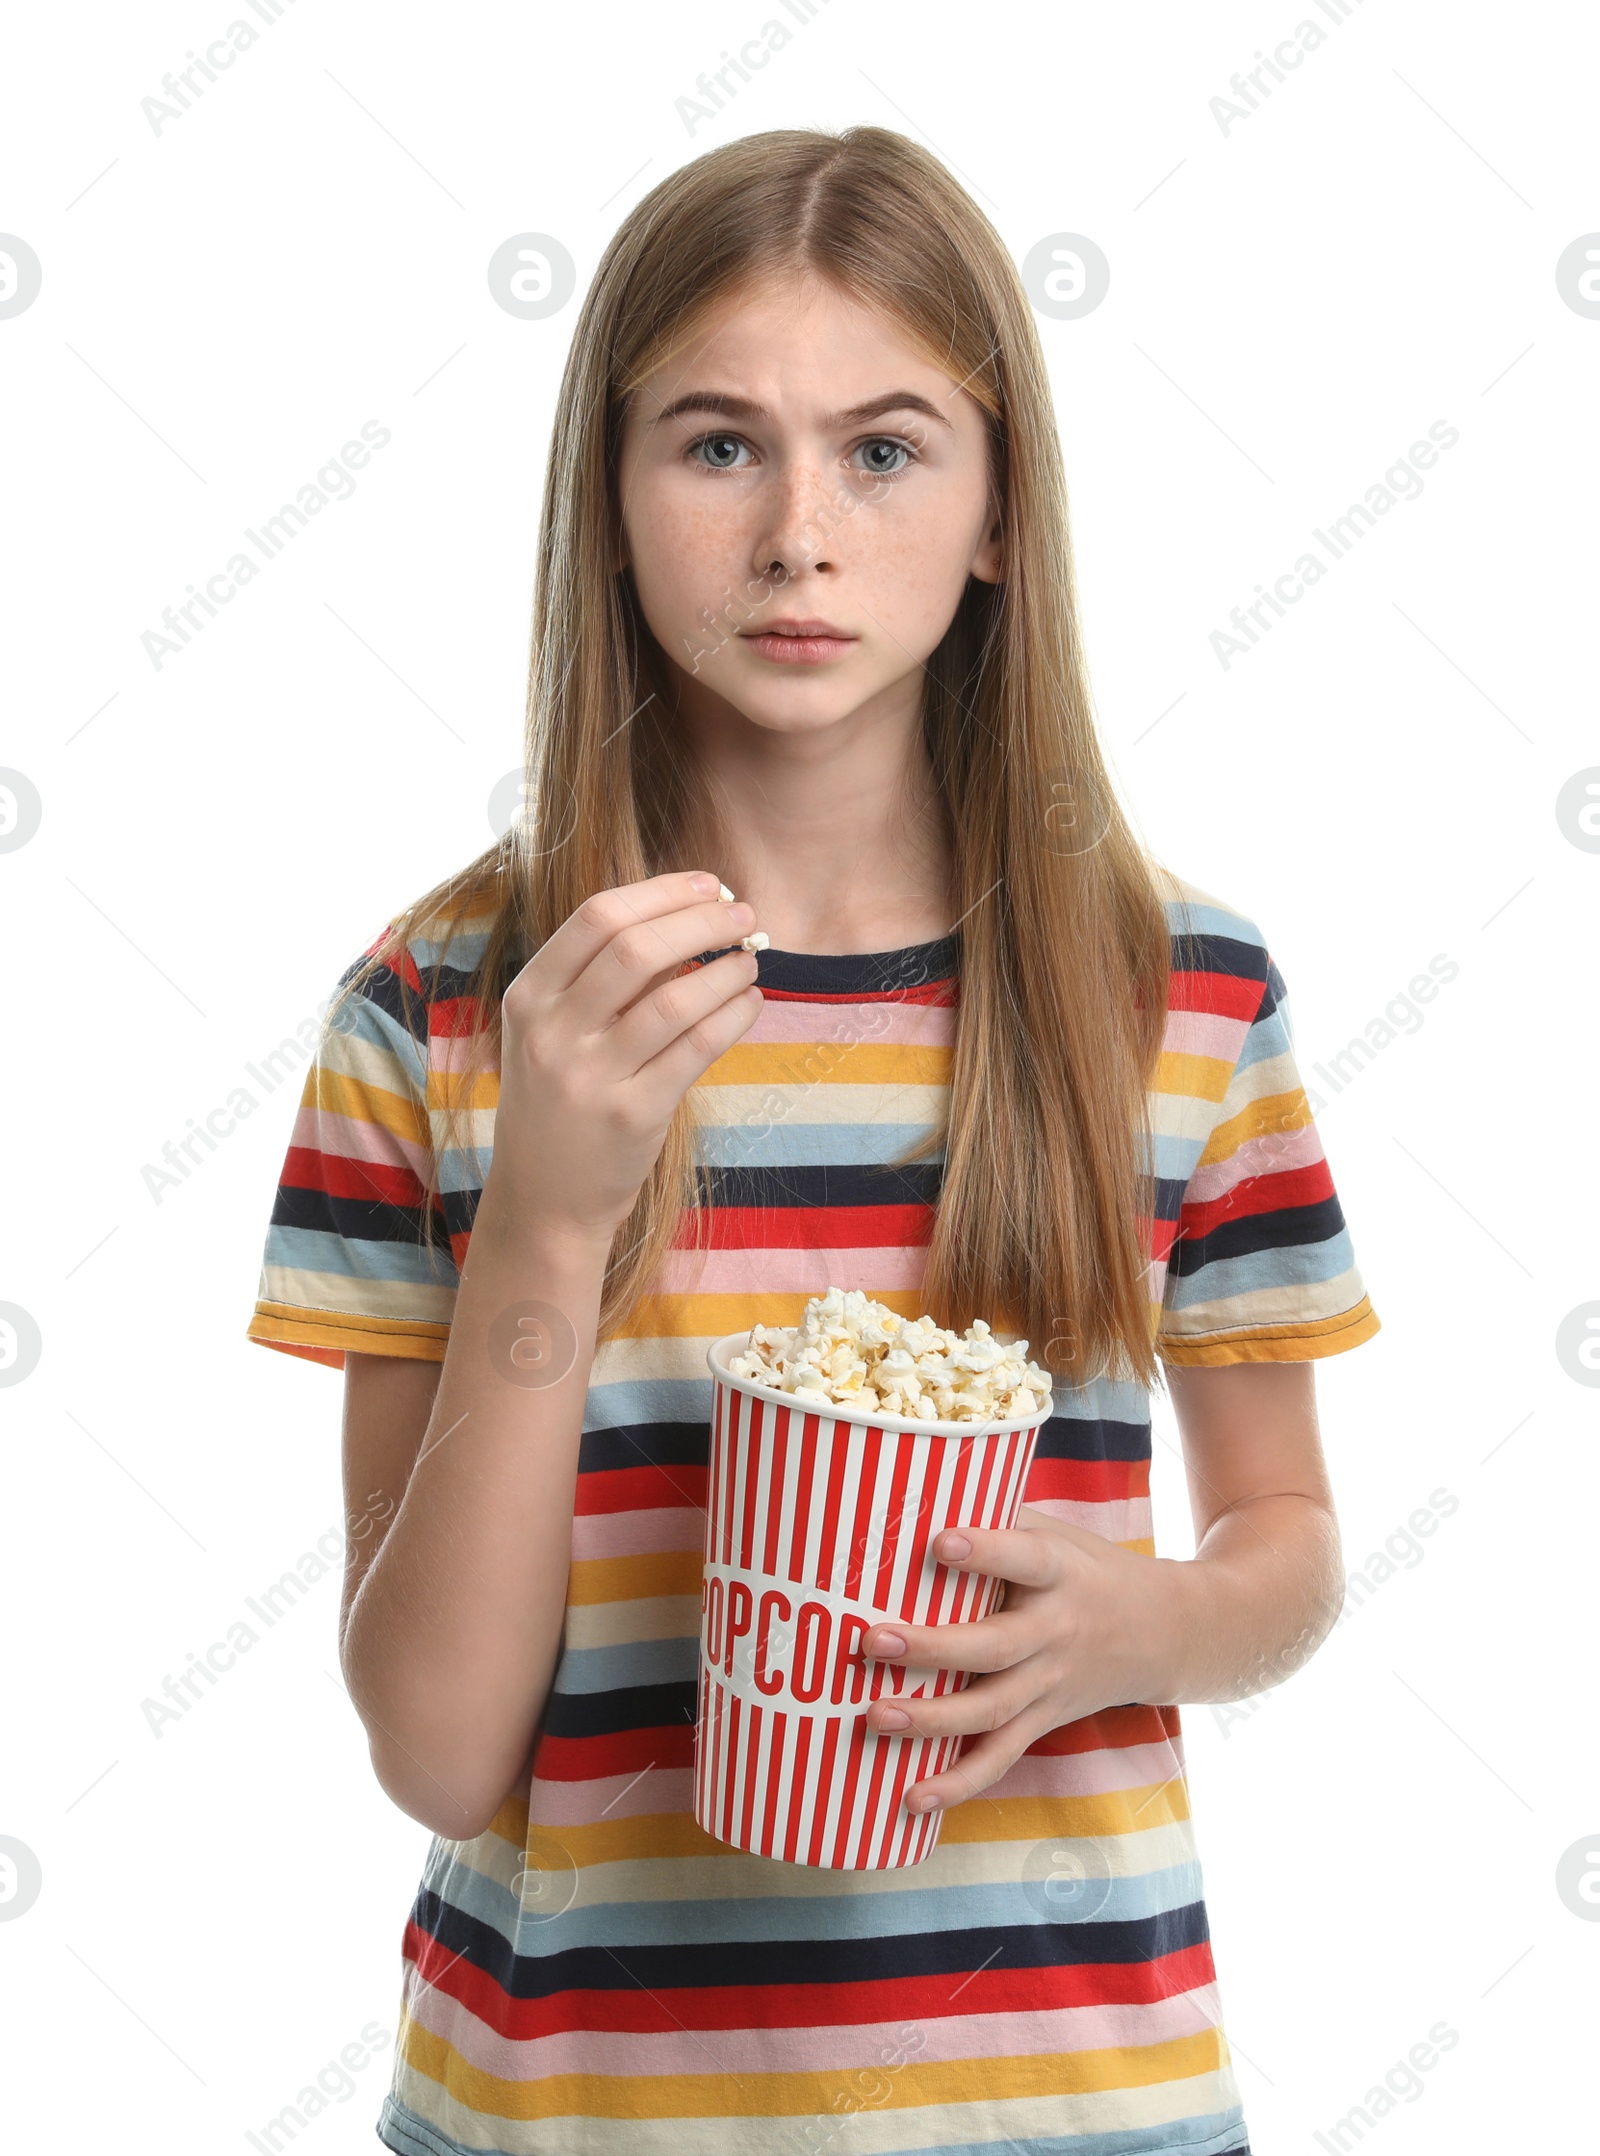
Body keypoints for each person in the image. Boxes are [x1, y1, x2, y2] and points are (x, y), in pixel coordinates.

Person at [247, 124, 1380, 2156]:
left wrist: (1139, 1622)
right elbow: (434, 1742)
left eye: (881, 448)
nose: (797, 537)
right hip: (572, 2109)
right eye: (712, 446)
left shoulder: (1177, 999)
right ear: (605, 498)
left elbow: (1284, 1549)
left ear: (994, 516)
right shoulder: (436, 1008)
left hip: (1074, 2102)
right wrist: (550, 1220)